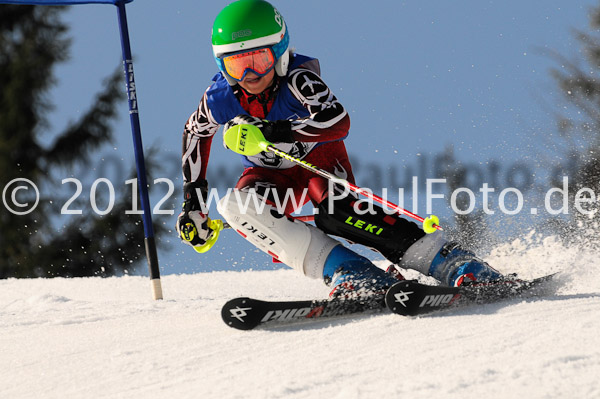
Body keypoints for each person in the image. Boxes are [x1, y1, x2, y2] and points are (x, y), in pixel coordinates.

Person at [176, 0, 505, 297]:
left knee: (338, 214)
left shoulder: (298, 81)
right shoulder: (220, 98)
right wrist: (194, 199)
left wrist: (279, 130)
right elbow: (195, 132)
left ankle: (453, 263)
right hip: (271, 174)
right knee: (237, 206)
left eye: (258, 60)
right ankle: (352, 273)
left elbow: (338, 121)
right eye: (236, 65)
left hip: (317, 161)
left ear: (279, 51)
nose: (250, 75)